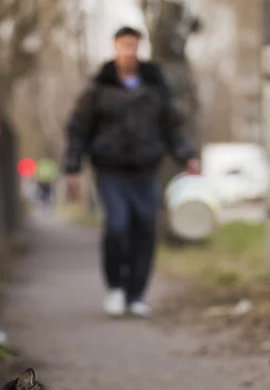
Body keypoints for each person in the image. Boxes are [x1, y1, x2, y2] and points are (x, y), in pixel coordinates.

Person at [64, 26, 200, 318]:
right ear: (115, 49)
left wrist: (187, 156)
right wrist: (72, 168)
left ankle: (136, 294)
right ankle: (115, 287)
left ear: (139, 48)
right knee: (117, 225)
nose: (128, 52)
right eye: (123, 46)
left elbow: (173, 125)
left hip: (146, 171)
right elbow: (79, 128)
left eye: (133, 46)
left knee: (145, 228)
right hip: (111, 171)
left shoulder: (155, 83)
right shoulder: (99, 85)